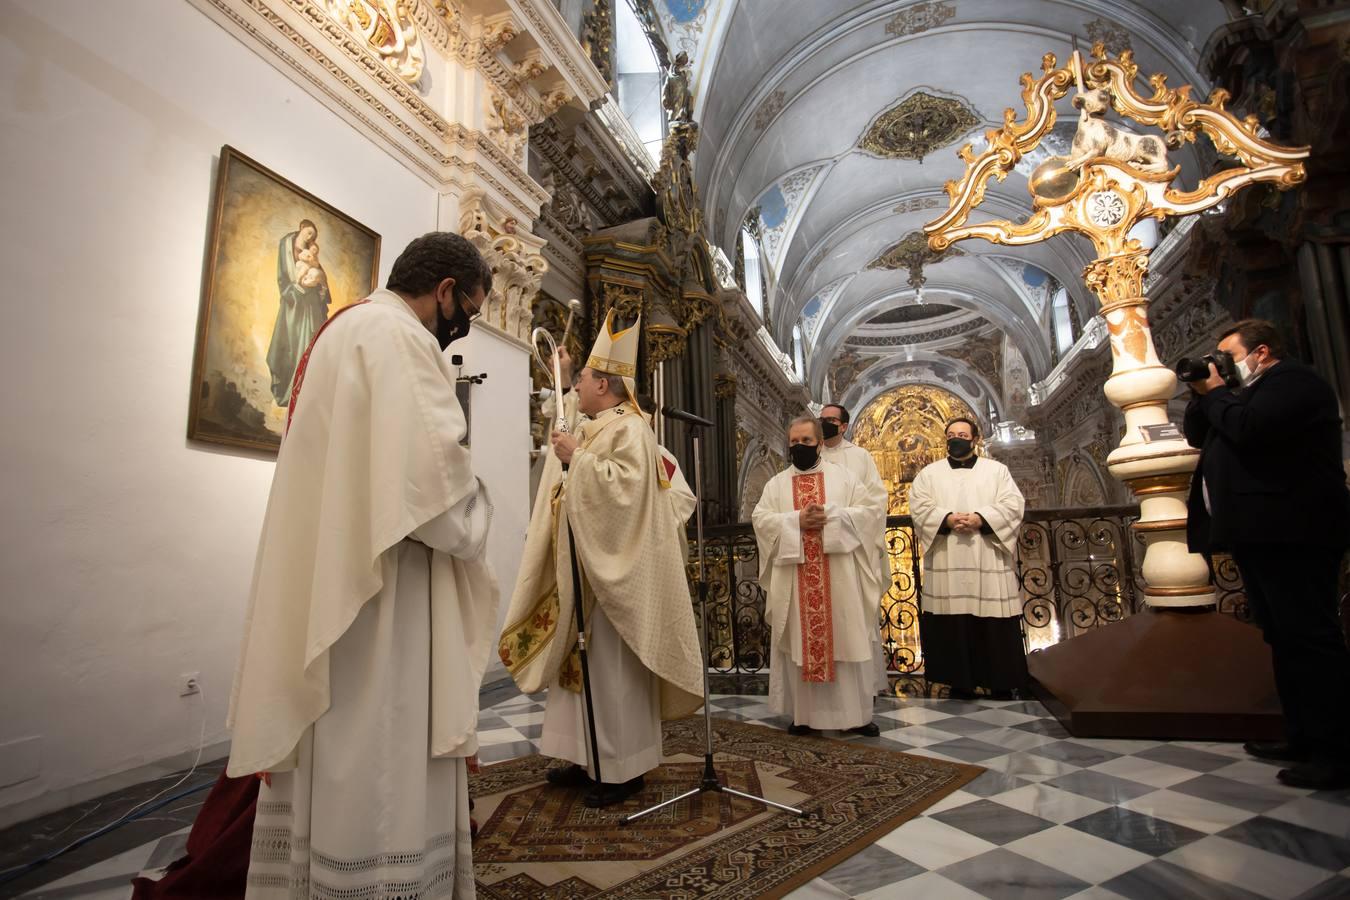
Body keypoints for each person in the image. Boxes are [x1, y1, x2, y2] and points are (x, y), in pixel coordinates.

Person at [226, 232, 499, 898]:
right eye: (469, 308)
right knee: (381, 766)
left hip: (338, 578)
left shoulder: (341, 330)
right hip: (387, 600)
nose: (462, 326)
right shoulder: (400, 341)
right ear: (444, 293)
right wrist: (482, 510)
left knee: (335, 744)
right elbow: (438, 498)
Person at [498, 310, 704, 808]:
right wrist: (564, 377)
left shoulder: (631, 428)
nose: (579, 388)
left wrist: (578, 460)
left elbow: (628, 491)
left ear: (606, 385)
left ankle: (622, 768)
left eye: (586, 379)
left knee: (611, 672)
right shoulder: (599, 422)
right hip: (582, 566)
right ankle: (582, 755)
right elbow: (568, 426)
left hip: (615, 577)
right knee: (578, 669)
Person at [1183, 318, 1350, 790]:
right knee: (1283, 637)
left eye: (1228, 356)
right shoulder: (1239, 396)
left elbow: (1251, 431)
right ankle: (1301, 735)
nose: (1220, 364)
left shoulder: (1293, 382)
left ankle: (1336, 751)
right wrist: (1203, 392)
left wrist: (1217, 393)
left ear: (1261, 352)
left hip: (1297, 529)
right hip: (1262, 532)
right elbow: (1200, 435)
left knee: (1311, 639)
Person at [752, 416, 887, 736]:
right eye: (794, 443)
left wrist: (832, 516)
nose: (799, 447)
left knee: (846, 637)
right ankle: (805, 717)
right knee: (801, 641)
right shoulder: (776, 484)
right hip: (796, 581)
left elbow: (871, 513)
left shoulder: (845, 479)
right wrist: (796, 520)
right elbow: (761, 519)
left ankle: (857, 715)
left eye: (806, 442)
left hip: (841, 581)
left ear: (820, 443)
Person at [909, 417, 1028, 700]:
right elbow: (919, 505)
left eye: (962, 434)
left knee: (992, 619)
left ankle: (999, 681)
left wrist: (981, 519)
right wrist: (946, 519)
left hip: (986, 554)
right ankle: (959, 682)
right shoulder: (929, 474)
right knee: (954, 621)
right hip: (947, 555)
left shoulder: (996, 471)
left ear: (975, 438)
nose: (956, 438)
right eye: (951, 435)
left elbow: (1013, 504)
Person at [819, 403, 891, 594]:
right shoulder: (813, 455)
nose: (824, 424)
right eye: (821, 420)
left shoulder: (860, 456)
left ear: (843, 426)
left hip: (855, 541)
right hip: (819, 540)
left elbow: (877, 499)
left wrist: (846, 518)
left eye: (830, 420)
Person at [266, 219, 332, 407]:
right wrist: (296, 289)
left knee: (309, 345)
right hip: (293, 304)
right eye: (308, 232)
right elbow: (283, 278)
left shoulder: (312, 254)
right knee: (290, 344)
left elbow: (321, 281)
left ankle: (304, 393)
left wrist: (319, 284)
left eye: (313, 235)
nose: (309, 236)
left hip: (310, 306)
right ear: (302, 228)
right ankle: (288, 389)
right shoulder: (286, 246)